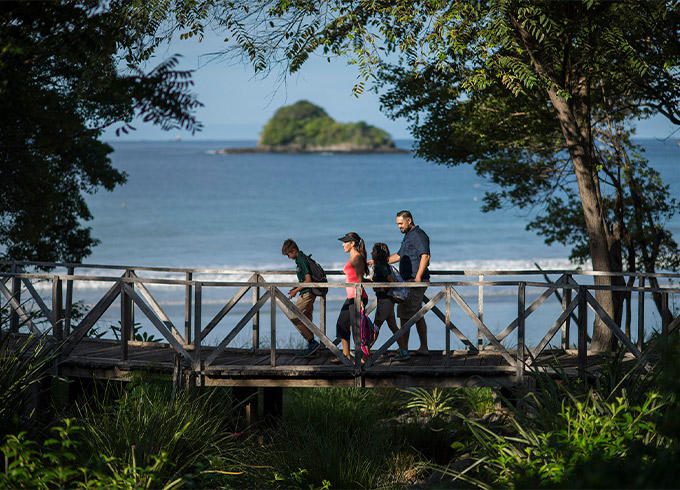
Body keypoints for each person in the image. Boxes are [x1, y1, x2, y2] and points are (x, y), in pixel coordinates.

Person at [388, 210, 430, 358]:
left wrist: (418, 277)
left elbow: (425, 255)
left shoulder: (418, 235)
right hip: (408, 281)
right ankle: (423, 347)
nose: (399, 226)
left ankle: (403, 350)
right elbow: (399, 255)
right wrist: (381, 261)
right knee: (417, 315)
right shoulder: (408, 236)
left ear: (409, 221)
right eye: (397, 224)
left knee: (405, 316)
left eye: (400, 223)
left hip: (414, 281)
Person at [333, 232, 369, 363]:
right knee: (341, 324)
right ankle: (346, 355)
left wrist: (359, 300)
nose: (343, 244)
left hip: (357, 297)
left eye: (345, 242)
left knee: (357, 329)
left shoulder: (357, 258)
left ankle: (363, 358)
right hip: (351, 297)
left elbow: (359, 280)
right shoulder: (352, 257)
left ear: (352, 243)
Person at [282, 239, 320, 357]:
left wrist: (296, 291)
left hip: (307, 293)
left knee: (294, 317)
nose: (289, 258)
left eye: (288, 255)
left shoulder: (302, 260)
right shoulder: (299, 260)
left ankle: (313, 343)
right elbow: (304, 279)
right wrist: (296, 287)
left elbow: (308, 280)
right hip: (306, 292)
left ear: (293, 251)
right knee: (306, 319)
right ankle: (312, 348)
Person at [370, 242, 409, 360]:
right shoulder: (379, 265)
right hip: (386, 300)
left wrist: (381, 288)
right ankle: (404, 351)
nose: (372, 253)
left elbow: (391, 282)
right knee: (393, 326)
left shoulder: (382, 266)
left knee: (375, 326)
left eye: (374, 251)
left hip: (385, 300)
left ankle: (364, 351)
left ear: (379, 253)